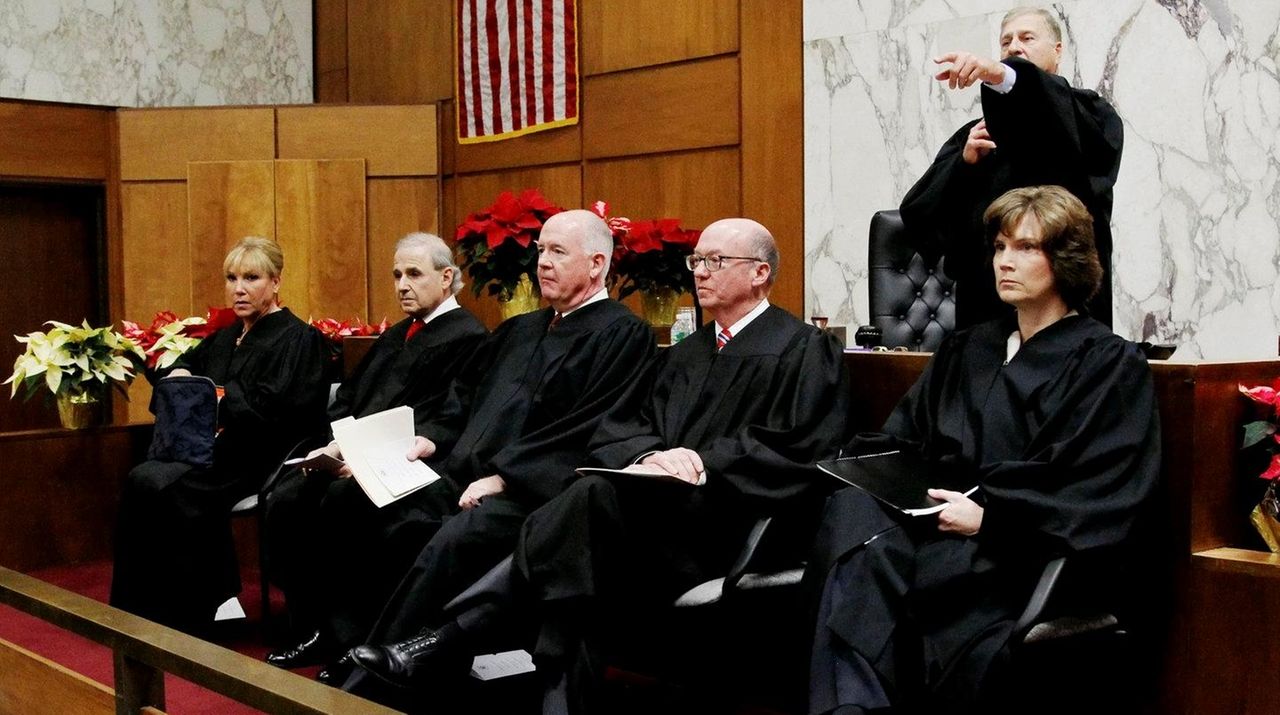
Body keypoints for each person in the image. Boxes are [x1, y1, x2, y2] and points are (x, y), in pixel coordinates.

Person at [346, 218, 850, 713]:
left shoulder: (803, 348)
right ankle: (539, 691)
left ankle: (444, 639)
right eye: (696, 260)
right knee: (580, 554)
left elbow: (803, 446)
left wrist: (701, 460)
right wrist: (651, 456)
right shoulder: (685, 353)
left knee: (584, 510)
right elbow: (624, 427)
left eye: (715, 261)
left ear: (760, 273)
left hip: (724, 525)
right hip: (652, 521)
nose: (699, 271)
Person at [808, 186, 1161, 714]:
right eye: (999, 247)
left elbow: (1100, 488)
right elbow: (903, 439)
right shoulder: (968, 348)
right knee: (853, 518)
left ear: (1065, 259)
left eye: (1026, 248)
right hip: (934, 524)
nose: (1004, 262)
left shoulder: (1106, 364)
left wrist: (989, 521)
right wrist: (877, 479)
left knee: (871, 579)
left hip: (1014, 551)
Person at [329, 208, 656, 689]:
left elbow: (592, 429)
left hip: (533, 493)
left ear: (596, 264)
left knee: (453, 538)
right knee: (363, 504)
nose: (543, 262)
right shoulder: (520, 329)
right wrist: (433, 437)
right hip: (460, 473)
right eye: (540, 250)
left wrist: (504, 478)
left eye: (558, 252)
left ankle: (375, 680)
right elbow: (462, 394)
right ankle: (350, 644)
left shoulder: (623, 334)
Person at [262, 232, 488, 671]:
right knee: (288, 497)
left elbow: (451, 415)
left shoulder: (469, 337)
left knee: (344, 501)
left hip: (420, 463)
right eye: (397, 275)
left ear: (446, 278)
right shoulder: (398, 335)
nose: (402, 285)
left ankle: (350, 639)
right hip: (360, 456)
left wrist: (371, 455)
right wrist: (338, 443)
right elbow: (350, 398)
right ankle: (310, 625)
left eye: (414, 274)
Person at [111, 236, 329, 634]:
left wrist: (218, 395)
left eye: (252, 278)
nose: (239, 289)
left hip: (262, 454)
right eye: (232, 278)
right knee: (142, 477)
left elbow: (286, 412)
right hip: (212, 448)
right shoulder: (226, 337)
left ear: (276, 282)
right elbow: (181, 369)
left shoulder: (298, 339)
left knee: (170, 486)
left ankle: (192, 611)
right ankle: (138, 612)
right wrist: (177, 373)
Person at [900, 6, 1123, 328]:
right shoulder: (975, 136)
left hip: (1067, 314)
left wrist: (1001, 75)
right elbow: (918, 215)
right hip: (984, 314)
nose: (1014, 47)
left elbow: (1058, 124)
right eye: (1006, 42)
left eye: (1027, 38)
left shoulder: (1092, 116)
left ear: (1058, 50)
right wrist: (963, 166)